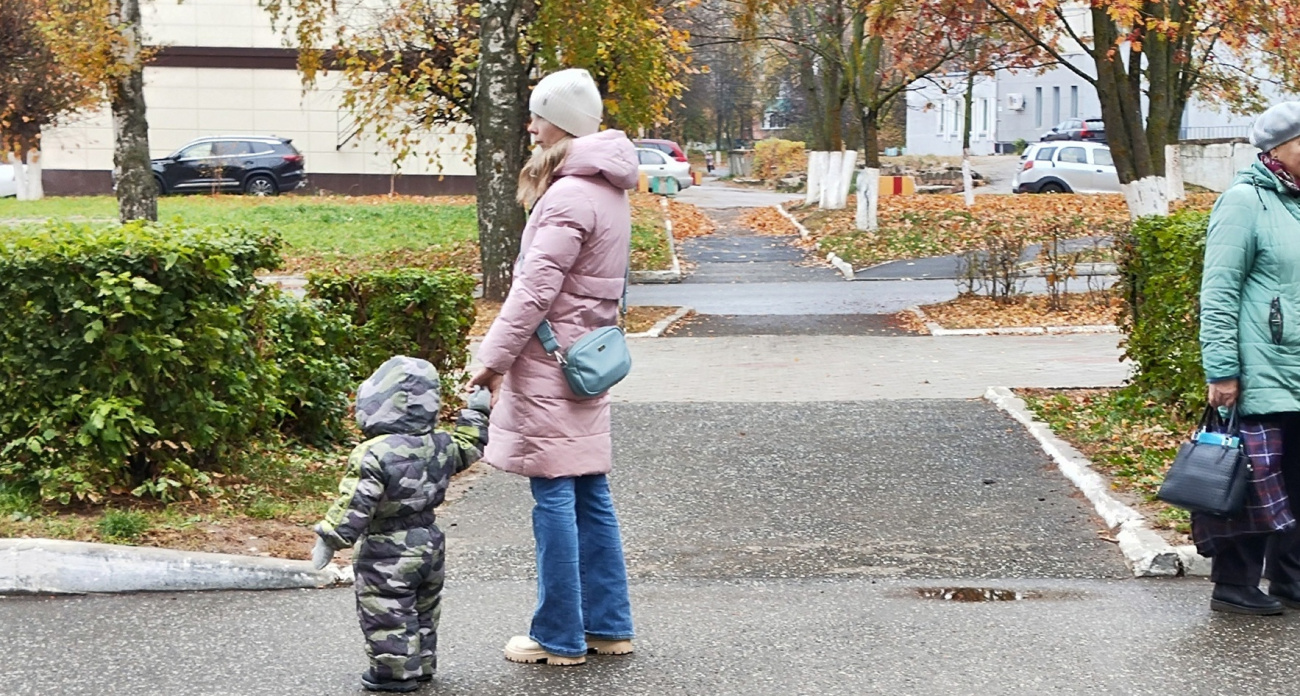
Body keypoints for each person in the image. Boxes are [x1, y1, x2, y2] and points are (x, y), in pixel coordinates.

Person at [469, 67, 637, 665]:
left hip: (549, 363)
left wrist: (491, 360)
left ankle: (559, 637)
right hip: (586, 359)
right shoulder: (607, 189)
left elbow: (534, 291)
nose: (530, 125)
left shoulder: (568, 193)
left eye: (538, 115)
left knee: (555, 498)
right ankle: (609, 626)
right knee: (590, 490)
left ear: (562, 123)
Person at [310, 356, 491, 691]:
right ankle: (421, 664)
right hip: (430, 542)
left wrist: (331, 537)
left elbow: (356, 502)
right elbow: (470, 446)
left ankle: (394, 674)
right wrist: (476, 412)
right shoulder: (440, 443)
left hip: (386, 547)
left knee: (387, 612)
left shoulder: (374, 452)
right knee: (425, 608)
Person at [1198, 100, 1300, 615]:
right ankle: (1233, 586)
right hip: (1262, 369)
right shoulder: (1244, 201)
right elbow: (1219, 291)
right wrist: (1222, 369)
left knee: (1296, 483)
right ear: (1275, 148)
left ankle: (1290, 581)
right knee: (1252, 478)